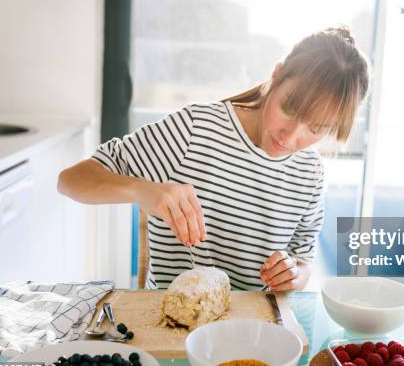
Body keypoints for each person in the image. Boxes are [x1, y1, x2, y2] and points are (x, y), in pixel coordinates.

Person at [58, 25, 370, 291]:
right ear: (275, 75)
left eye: (316, 128)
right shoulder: (196, 130)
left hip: (255, 338)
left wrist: (292, 275)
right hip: (171, 329)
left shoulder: (310, 173)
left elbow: (303, 262)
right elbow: (70, 180)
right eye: (288, 109)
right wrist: (141, 190)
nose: (290, 137)